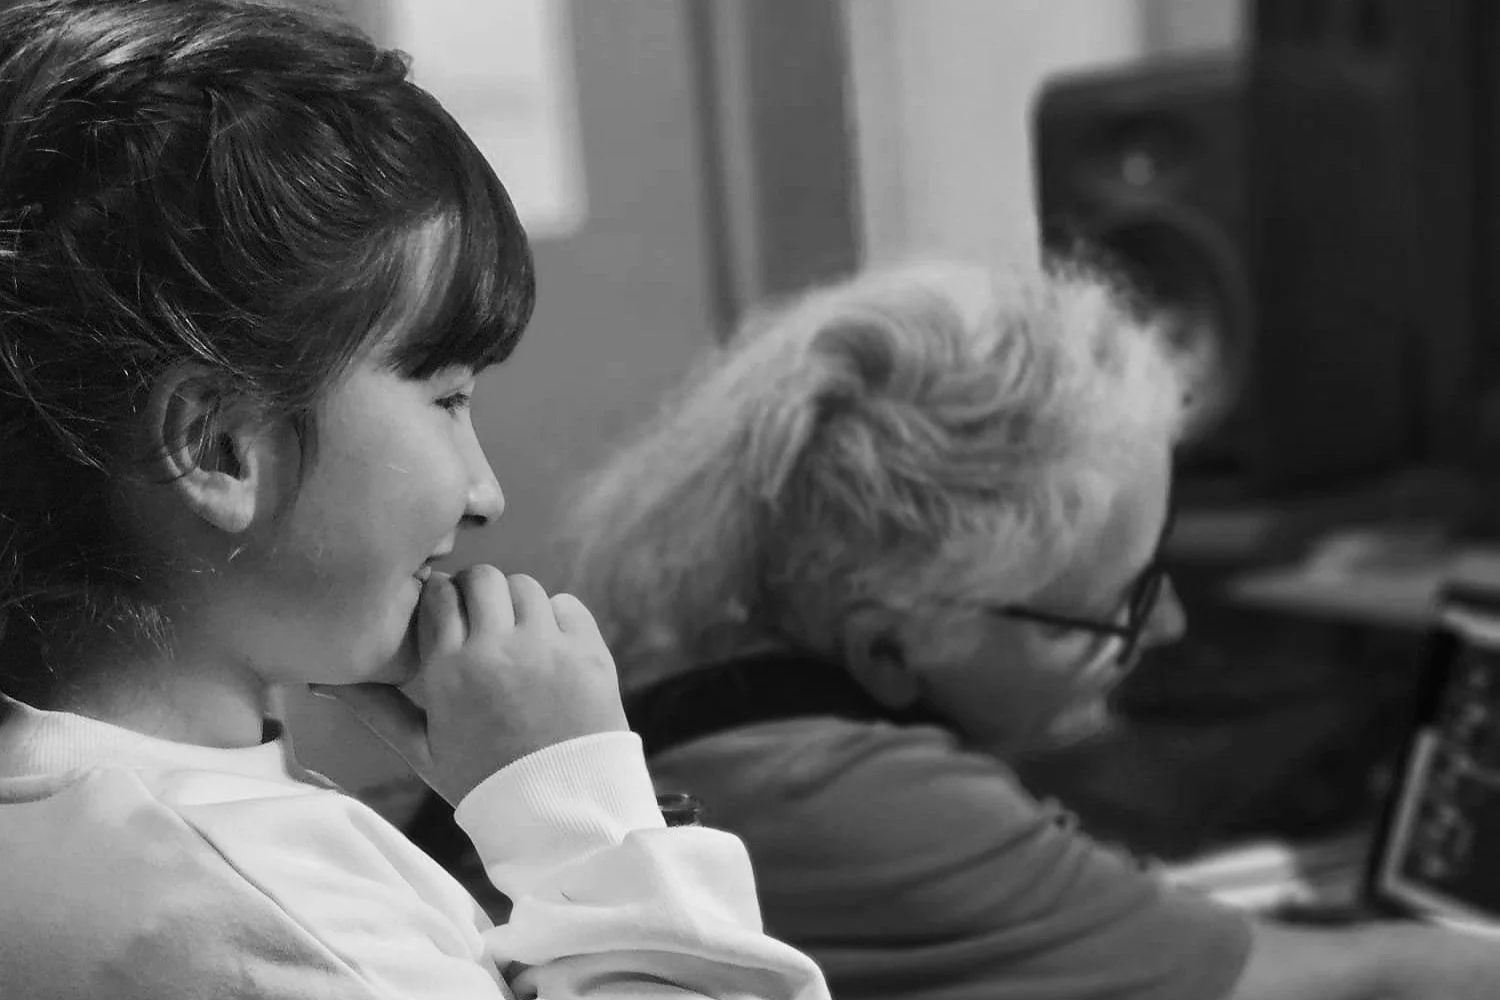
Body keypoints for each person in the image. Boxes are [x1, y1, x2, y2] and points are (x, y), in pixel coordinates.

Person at [0, 2, 830, 998]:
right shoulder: (260, 907)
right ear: (217, 445)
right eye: (447, 399)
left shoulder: (96, 819)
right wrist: (577, 814)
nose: (485, 493)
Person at [561, 258, 1500, 1000]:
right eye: (1117, 603)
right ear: (887, 648)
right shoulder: (862, 801)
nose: (1167, 625)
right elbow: (1373, 981)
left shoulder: (679, 670)